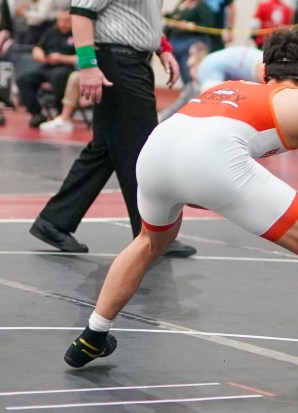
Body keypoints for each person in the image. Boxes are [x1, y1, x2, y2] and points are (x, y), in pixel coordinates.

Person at [62, 27, 298, 401]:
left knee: (150, 240)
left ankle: (92, 335)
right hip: (213, 162)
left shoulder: (229, 86)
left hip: (155, 152)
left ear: (265, 71)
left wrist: (222, 191)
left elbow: (199, 168)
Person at [29, 0, 196, 257]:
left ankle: (54, 221)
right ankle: (152, 234)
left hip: (133, 62)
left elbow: (139, 15)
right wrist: (87, 66)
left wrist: (163, 48)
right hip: (118, 64)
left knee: (105, 149)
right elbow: (82, 12)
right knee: (143, 151)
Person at [16, 8, 75, 128]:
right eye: (60, 20)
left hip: (67, 67)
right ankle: (37, 113)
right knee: (24, 79)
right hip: (47, 66)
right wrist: (39, 54)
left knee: (60, 77)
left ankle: (61, 114)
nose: (63, 24)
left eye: (66, 21)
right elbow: (38, 47)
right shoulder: (51, 32)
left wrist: (61, 58)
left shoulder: (78, 34)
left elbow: (82, 57)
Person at [164, 0, 214, 85]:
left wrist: (190, 26)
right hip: (176, 42)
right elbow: (174, 17)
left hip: (190, 44)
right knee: (181, 72)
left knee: (189, 71)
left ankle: (193, 90)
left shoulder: (202, 6)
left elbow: (209, 25)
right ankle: (188, 88)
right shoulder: (182, 3)